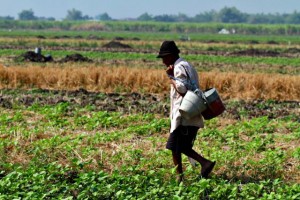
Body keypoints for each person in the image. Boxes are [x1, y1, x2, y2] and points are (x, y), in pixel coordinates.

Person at [157, 40, 215, 182]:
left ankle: (204, 163)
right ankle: (180, 178)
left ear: (171, 55)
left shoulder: (178, 68)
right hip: (192, 111)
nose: (163, 61)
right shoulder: (188, 65)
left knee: (176, 146)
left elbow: (182, 88)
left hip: (184, 114)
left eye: (164, 57)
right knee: (177, 147)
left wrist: (171, 77)